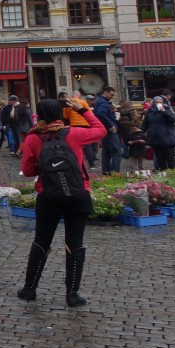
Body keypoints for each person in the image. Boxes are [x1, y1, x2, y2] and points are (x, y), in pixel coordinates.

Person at [17, 97, 106, 306]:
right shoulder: (73, 133)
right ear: (60, 113)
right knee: (75, 244)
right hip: (77, 193)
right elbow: (101, 130)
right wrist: (83, 110)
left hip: (48, 195)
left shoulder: (33, 138)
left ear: (38, 114)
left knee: (41, 241)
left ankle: (30, 288)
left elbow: (28, 171)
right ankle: (72, 293)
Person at [92, 88, 121, 175]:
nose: (112, 97)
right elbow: (101, 114)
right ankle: (115, 173)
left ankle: (106, 173)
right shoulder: (103, 102)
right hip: (109, 130)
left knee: (106, 152)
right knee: (117, 152)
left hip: (103, 129)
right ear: (105, 92)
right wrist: (110, 125)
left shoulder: (99, 101)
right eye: (111, 95)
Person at [143, 95, 175, 169]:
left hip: (167, 140)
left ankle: (173, 175)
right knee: (160, 160)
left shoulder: (167, 109)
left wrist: (164, 112)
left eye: (160, 102)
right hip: (156, 140)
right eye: (157, 102)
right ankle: (162, 176)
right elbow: (145, 124)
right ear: (154, 103)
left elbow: (173, 119)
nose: (158, 103)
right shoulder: (149, 112)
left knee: (170, 159)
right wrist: (141, 133)